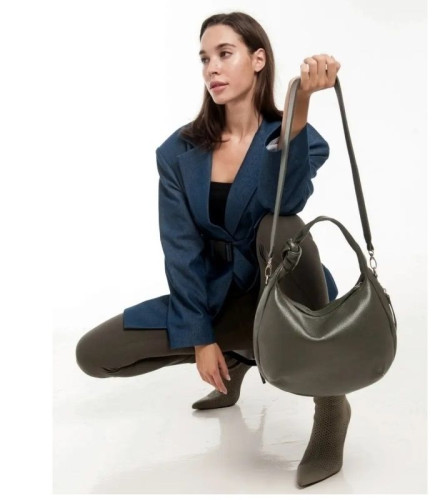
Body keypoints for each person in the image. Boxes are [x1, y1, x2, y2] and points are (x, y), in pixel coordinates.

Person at [75, 11, 351, 489]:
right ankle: (237, 354)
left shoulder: (299, 136)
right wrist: (203, 339)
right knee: (93, 353)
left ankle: (331, 403)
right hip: (216, 297)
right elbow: (180, 250)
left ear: (258, 60)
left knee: (281, 225)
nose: (212, 69)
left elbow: (284, 202)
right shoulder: (177, 153)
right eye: (205, 59)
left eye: (225, 54)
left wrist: (299, 106)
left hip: (285, 295)